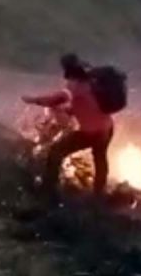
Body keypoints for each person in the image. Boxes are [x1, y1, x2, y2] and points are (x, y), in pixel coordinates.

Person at [22, 54, 114, 198]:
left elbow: (54, 100)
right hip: (107, 129)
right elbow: (88, 105)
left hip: (90, 133)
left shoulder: (74, 86)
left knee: (55, 152)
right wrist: (69, 110)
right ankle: (99, 193)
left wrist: (32, 100)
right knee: (100, 158)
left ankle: (49, 190)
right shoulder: (93, 82)